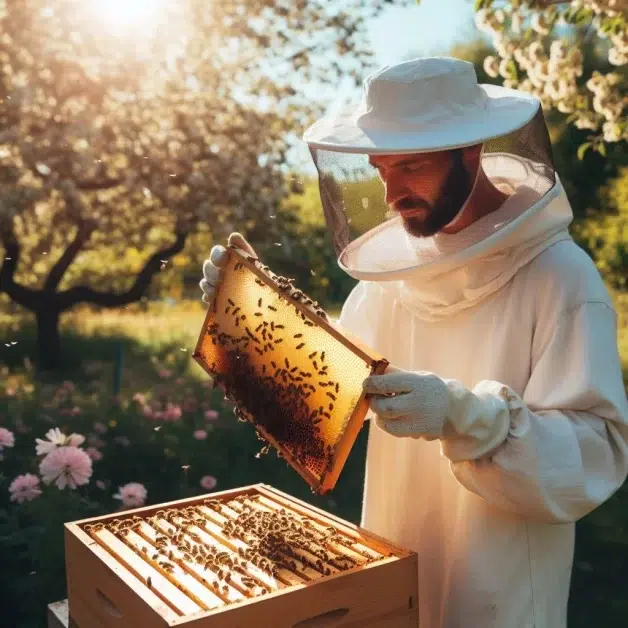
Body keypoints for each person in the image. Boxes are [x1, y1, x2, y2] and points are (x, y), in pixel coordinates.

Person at [200, 57, 628, 627]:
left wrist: (467, 416)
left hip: (500, 584)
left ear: (470, 150)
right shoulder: (393, 280)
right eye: (381, 169)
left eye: (412, 167)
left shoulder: (561, 278)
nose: (392, 192)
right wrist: (252, 320)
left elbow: (597, 453)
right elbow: (327, 392)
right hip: (391, 556)